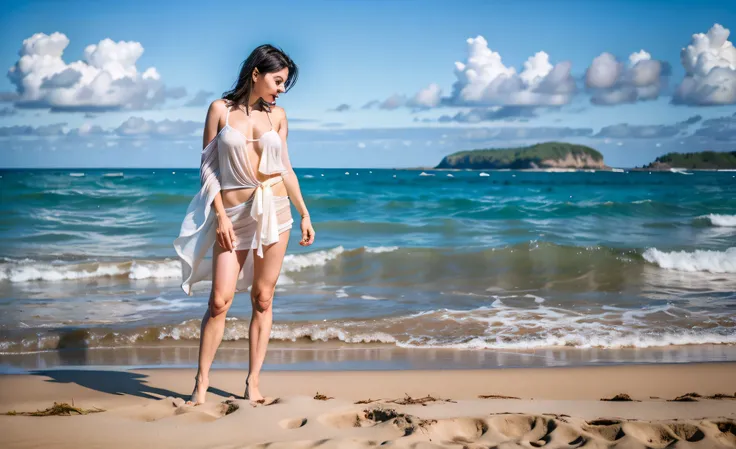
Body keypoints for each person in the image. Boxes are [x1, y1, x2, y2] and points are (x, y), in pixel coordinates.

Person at [173, 44, 315, 405]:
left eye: (285, 83)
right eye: (278, 80)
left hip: (275, 210)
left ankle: (253, 382)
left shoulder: (278, 117)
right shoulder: (219, 110)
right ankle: (201, 384)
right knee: (219, 301)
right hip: (232, 216)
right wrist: (219, 214)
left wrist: (304, 213)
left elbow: (285, 168)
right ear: (256, 73)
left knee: (262, 299)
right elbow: (207, 168)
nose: (281, 89)